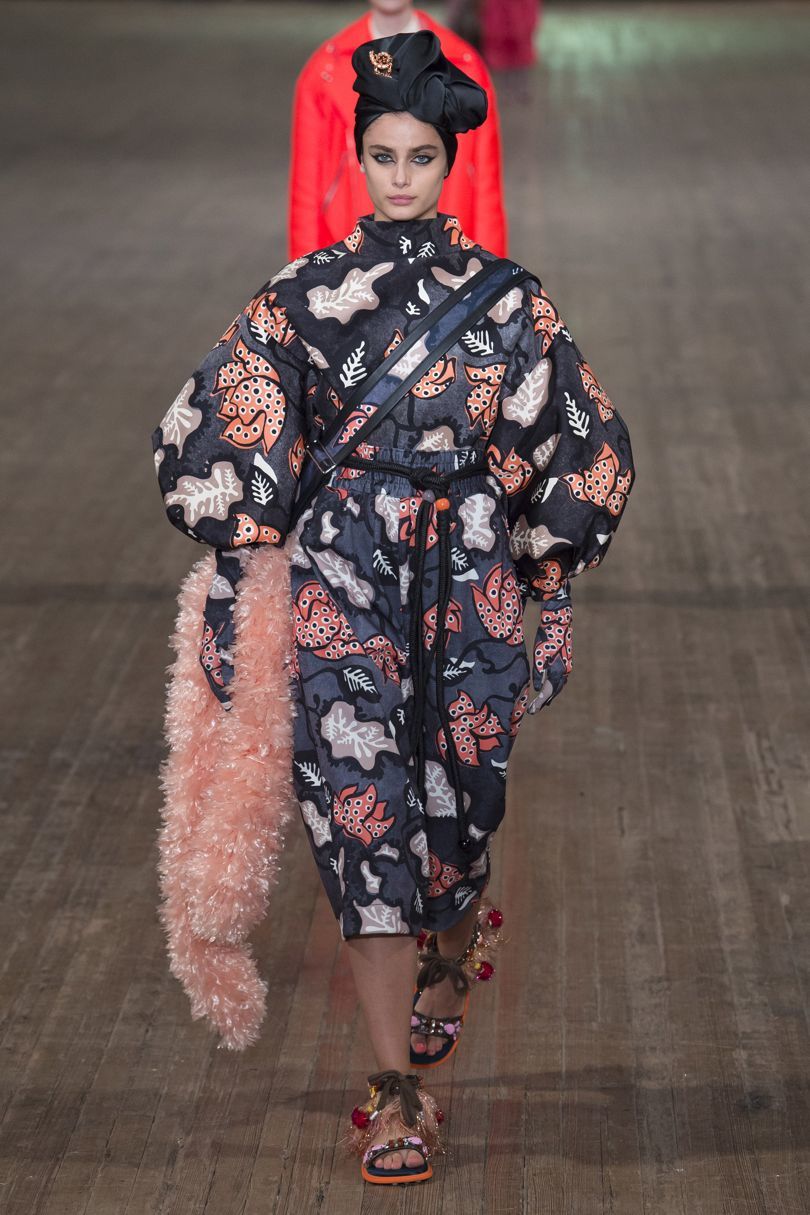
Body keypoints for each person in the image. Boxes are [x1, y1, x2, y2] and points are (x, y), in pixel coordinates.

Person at [153, 30, 633, 1186]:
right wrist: (244, 556)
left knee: (459, 823)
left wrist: (549, 569)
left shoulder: (510, 304)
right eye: (384, 155)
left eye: (421, 155)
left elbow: (580, 436)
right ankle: (395, 1092)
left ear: (449, 160)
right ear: (358, 158)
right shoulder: (299, 300)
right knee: (361, 824)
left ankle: (452, 944)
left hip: (469, 573)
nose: (402, 174)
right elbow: (216, 419)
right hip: (344, 574)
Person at [287, 0, 507, 259]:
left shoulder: (465, 65)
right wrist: (307, 274)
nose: (400, 178)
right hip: (349, 259)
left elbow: (485, 190)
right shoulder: (324, 71)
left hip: (447, 257)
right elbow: (307, 192)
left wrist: (491, 276)